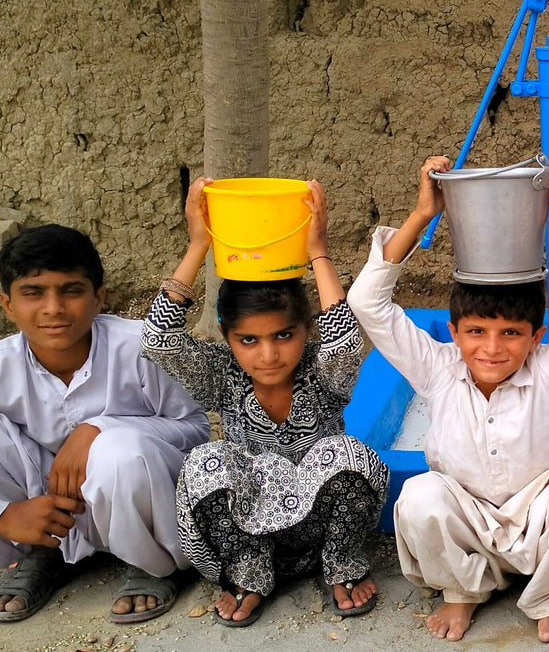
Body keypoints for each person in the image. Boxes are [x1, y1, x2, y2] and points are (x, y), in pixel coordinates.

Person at [347, 156, 549, 644]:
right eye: (476, 332)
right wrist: (424, 214)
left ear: (536, 336)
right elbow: (367, 303)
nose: (491, 348)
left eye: (511, 333)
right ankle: (461, 591)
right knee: (420, 497)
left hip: (541, 525)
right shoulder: (437, 367)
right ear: (453, 333)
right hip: (466, 524)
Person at [0, 224, 212, 624]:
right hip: (47, 513)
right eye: (33, 293)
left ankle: (153, 563)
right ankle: (45, 552)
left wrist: (102, 427)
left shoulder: (139, 347)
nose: (53, 309)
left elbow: (194, 429)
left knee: (119, 451)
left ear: (99, 298)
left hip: (135, 500)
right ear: (7, 304)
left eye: (71, 291)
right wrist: (0, 515)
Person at [141, 177, 389, 628]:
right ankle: (250, 576)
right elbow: (158, 340)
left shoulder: (321, 372)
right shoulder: (223, 375)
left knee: (353, 455)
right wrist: (199, 244)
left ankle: (340, 567)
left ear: (306, 330)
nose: (268, 354)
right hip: (250, 533)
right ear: (228, 339)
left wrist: (318, 251)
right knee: (205, 463)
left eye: (283, 335)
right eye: (248, 340)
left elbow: (347, 342)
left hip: (320, 530)